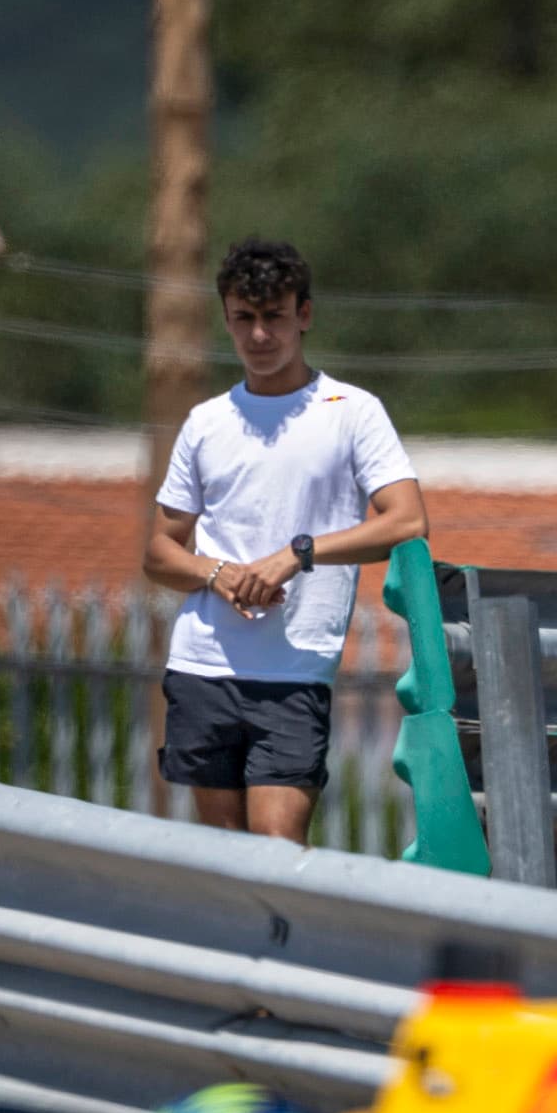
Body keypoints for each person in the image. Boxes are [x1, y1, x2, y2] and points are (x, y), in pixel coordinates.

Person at [141, 238, 428, 841]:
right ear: (226, 319)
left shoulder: (352, 411)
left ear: (304, 314)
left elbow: (405, 521)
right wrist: (219, 575)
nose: (260, 335)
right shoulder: (206, 422)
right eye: (244, 318)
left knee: (277, 848)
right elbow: (161, 552)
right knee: (220, 857)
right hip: (203, 665)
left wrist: (296, 556)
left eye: (274, 316)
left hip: (296, 668)